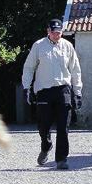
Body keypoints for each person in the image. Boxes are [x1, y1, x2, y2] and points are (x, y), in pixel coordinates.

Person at [22, 19, 82, 170]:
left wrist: (77, 92)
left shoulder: (67, 46)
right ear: (48, 31)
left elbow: (75, 70)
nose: (56, 35)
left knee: (63, 127)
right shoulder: (38, 46)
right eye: (54, 32)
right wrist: (26, 88)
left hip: (63, 90)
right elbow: (29, 67)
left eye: (59, 32)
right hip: (44, 91)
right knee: (43, 126)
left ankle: (61, 159)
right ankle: (46, 145)